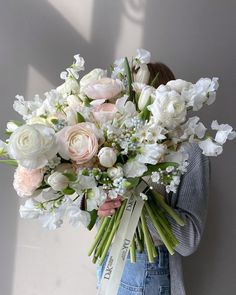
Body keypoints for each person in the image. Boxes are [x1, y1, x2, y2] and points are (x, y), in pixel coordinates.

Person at [96, 62, 210, 295]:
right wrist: (102, 207)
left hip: (148, 268)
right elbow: (104, 217)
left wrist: (135, 206)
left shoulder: (189, 150)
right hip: (110, 260)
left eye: (133, 94)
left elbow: (189, 240)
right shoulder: (116, 145)